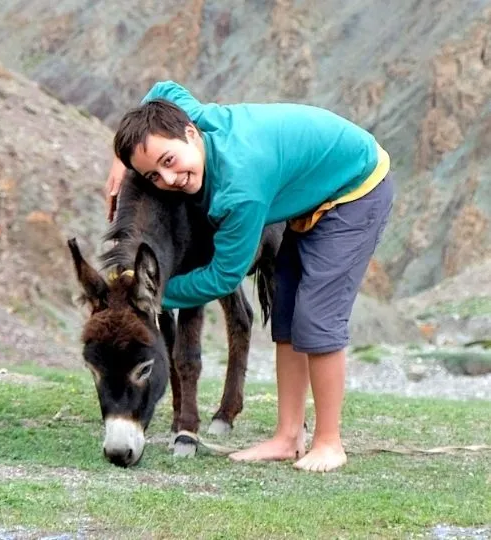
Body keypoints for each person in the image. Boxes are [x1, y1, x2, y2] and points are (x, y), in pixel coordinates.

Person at [104, 80, 394, 473]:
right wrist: (123, 157)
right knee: (288, 313)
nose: (168, 179)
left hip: (356, 190)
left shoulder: (240, 192)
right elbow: (164, 88)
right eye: (153, 175)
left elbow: (223, 277)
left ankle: (329, 442)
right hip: (317, 186)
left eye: (169, 161)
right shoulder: (197, 118)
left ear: (190, 134)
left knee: (317, 318)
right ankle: (287, 436)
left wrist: (155, 296)